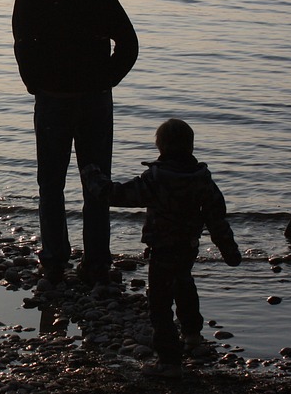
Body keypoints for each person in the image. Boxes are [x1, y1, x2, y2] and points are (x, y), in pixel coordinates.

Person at [12, 0, 138, 287]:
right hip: (95, 98)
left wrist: (34, 84)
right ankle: (96, 262)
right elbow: (128, 43)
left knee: (50, 184)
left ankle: (54, 261)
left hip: (53, 97)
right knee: (96, 181)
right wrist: (106, 79)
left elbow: (22, 44)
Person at [82, 118, 242, 379]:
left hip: (162, 248)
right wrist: (229, 251)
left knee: (160, 304)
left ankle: (169, 361)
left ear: (161, 147)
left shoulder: (156, 178)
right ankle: (192, 336)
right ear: (190, 146)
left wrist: (91, 174)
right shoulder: (202, 179)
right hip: (188, 247)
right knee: (185, 286)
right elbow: (217, 219)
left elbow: (117, 195)